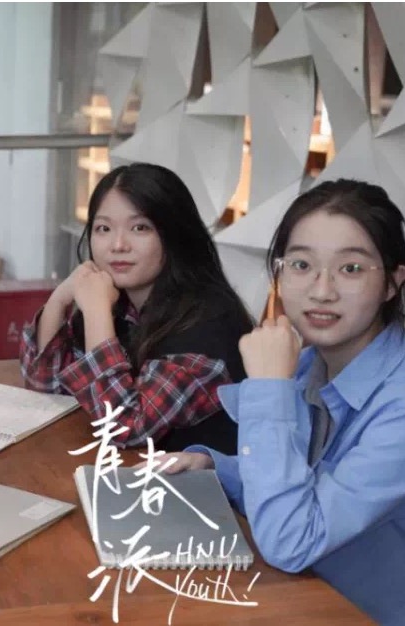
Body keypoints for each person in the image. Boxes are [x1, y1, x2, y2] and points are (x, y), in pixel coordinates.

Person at [155, 179, 405, 624]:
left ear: (392, 282)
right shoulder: (314, 362)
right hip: (312, 600)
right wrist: (219, 471)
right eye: (302, 265)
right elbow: (305, 485)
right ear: (279, 273)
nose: (322, 290)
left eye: (350, 268)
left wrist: (270, 388)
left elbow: (292, 540)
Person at [20, 162, 254, 454]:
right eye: (103, 228)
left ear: (174, 235)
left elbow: (122, 428)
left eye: (140, 228)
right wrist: (59, 299)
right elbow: (45, 386)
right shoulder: (123, 306)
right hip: (137, 473)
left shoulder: (208, 327)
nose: (118, 245)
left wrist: (96, 313)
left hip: (203, 483)